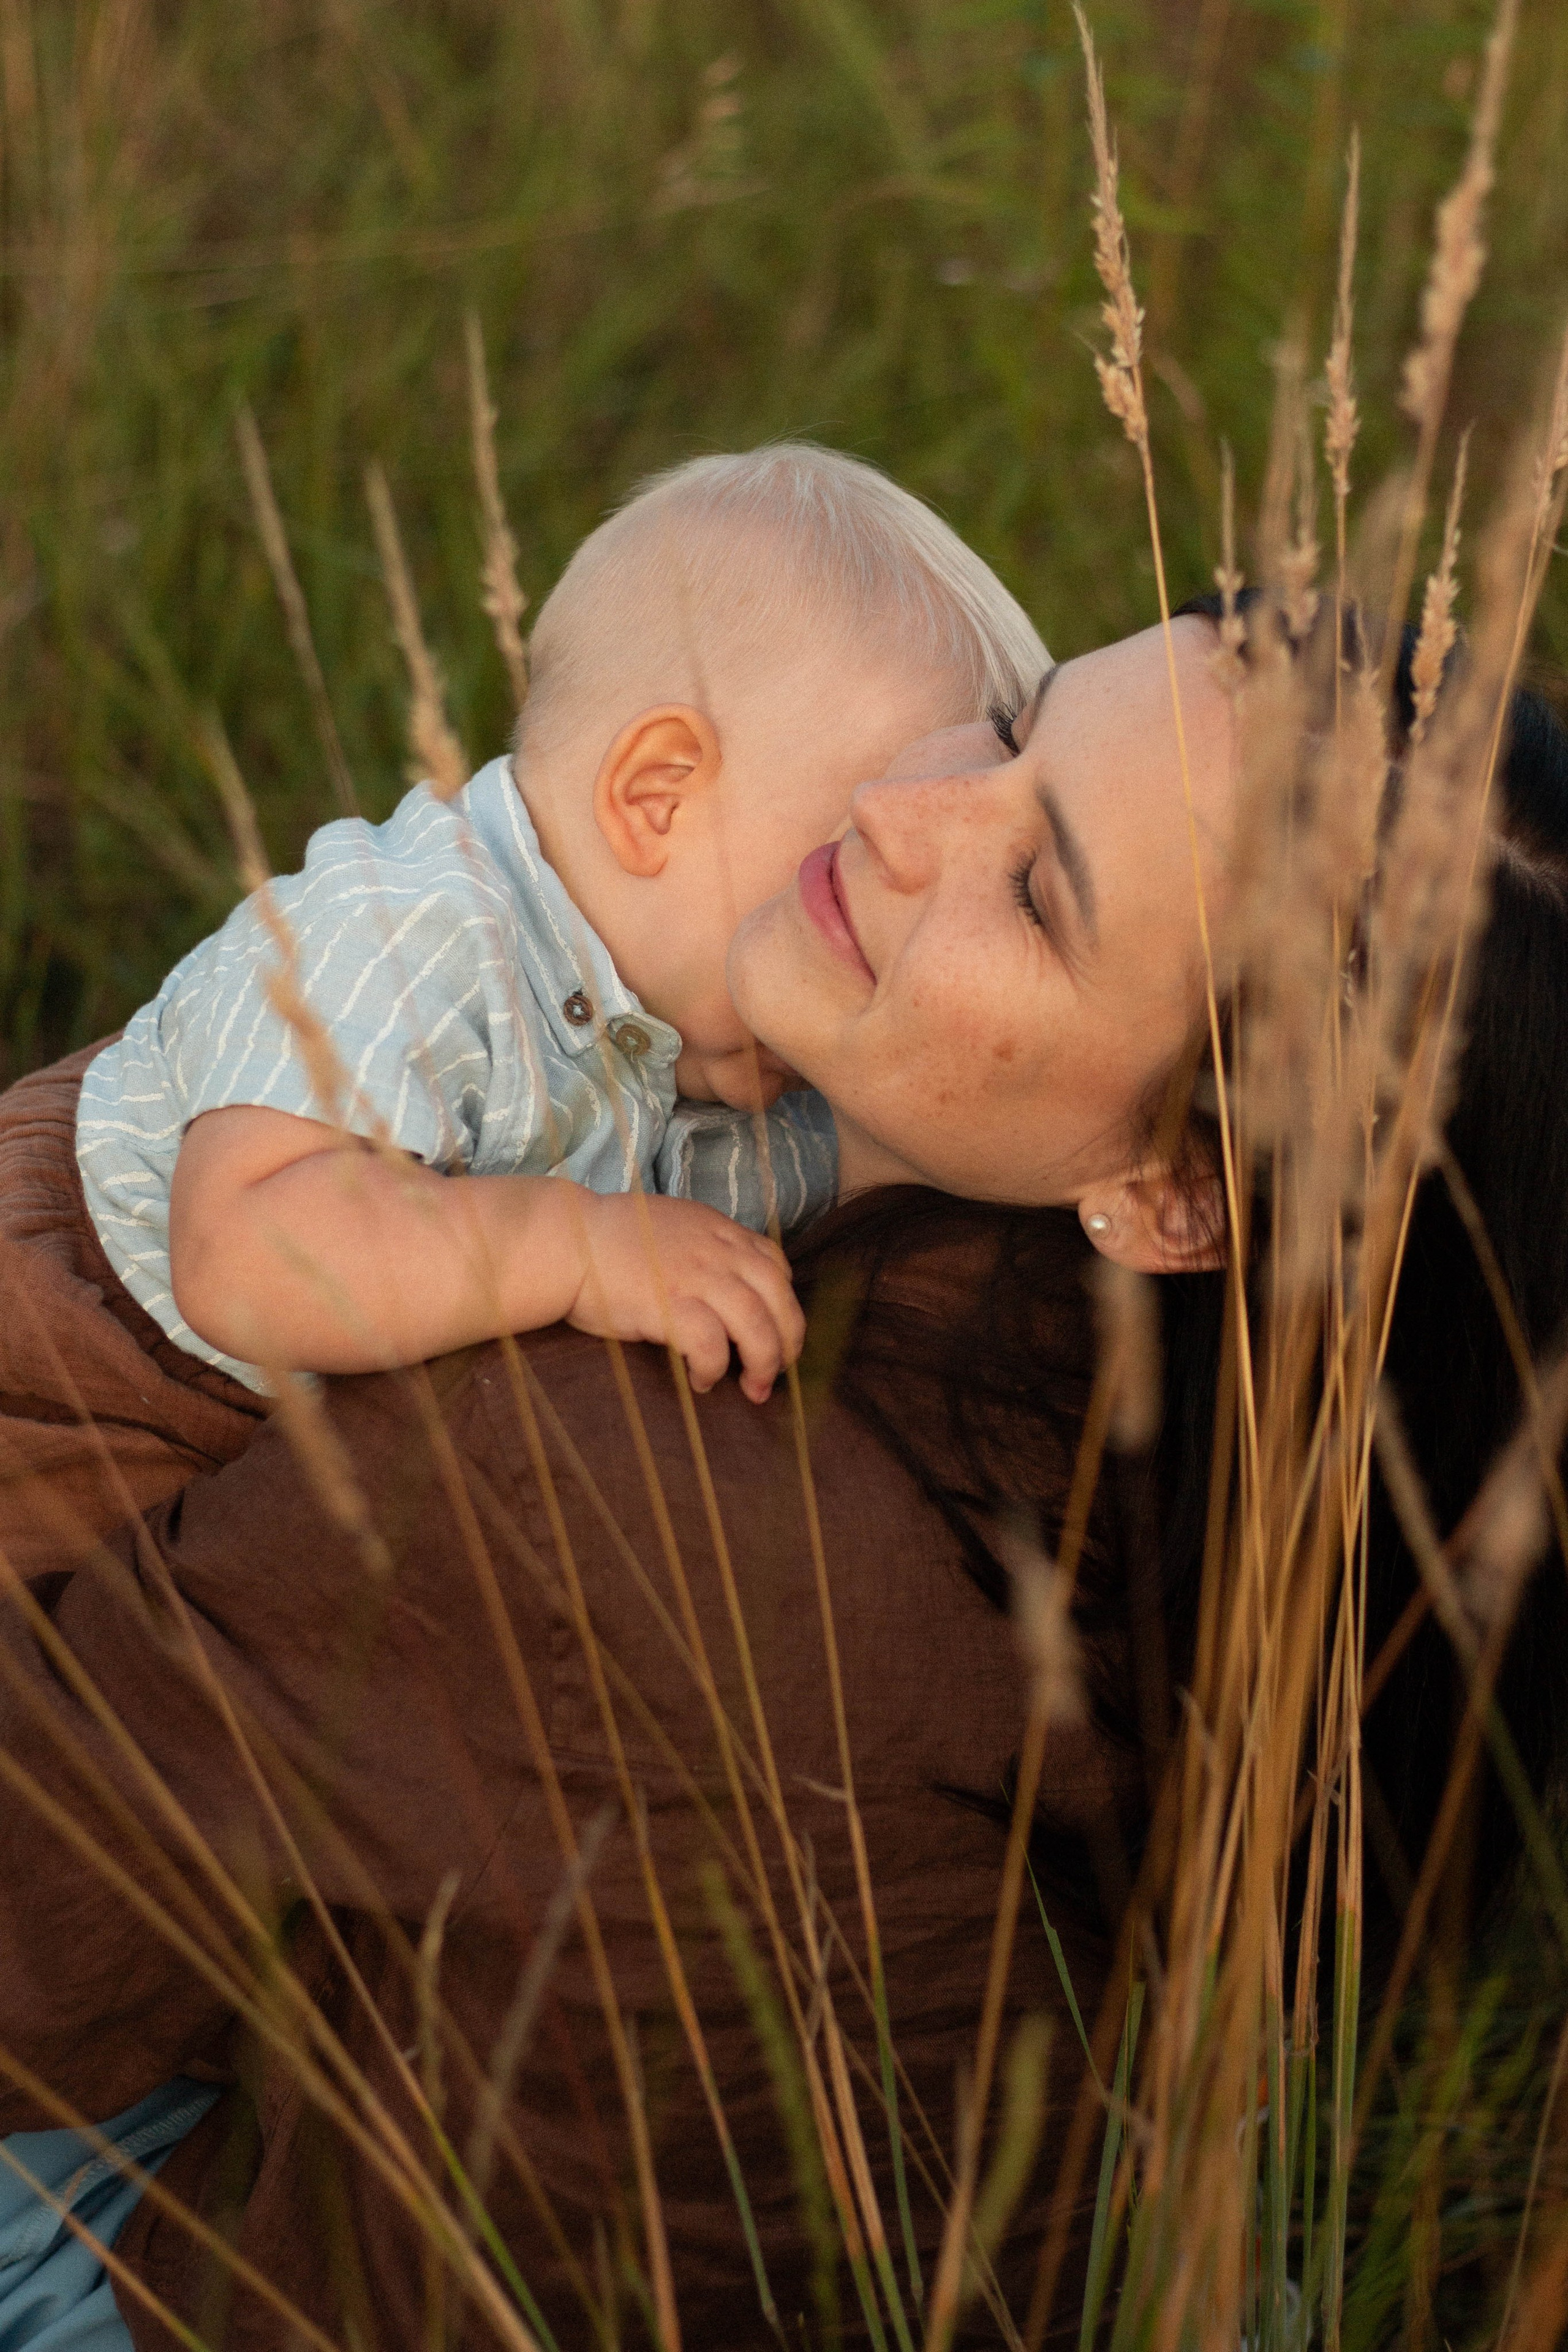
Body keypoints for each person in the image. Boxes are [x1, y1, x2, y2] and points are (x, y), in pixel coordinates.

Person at [1, 605, 1565, 2350]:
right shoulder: (1241, 1509)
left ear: (1181, 1196)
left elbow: (32, 1931)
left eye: (1040, 891)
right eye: (1016, 722)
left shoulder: (605, 1470)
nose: (905, 809)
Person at [75, 443, 1047, 1405]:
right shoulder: (404, 929)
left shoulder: (688, 1024)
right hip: (86, 1330)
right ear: (657, 797)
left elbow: (847, 1168)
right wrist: (577, 1246)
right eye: (842, 873)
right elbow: (245, 1255)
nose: (873, 944)